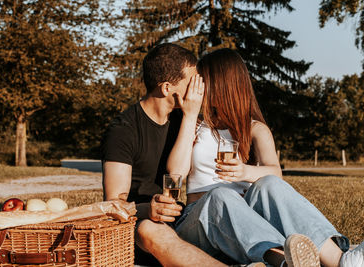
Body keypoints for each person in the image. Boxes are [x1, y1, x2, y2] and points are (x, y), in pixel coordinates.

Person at [167, 48, 364, 267]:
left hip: (242, 225)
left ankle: (340, 260)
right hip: (198, 221)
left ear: (220, 85)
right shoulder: (194, 124)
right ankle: (284, 261)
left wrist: (245, 172)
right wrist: (190, 114)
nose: (197, 88)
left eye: (202, 81)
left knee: (269, 183)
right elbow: (174, 174)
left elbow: (276, 173)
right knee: (220, 195)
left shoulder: (254, 129)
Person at [102, 43, 245, 266]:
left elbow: (179, 172)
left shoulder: (185, 120)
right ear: (167, 88)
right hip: (140, 223)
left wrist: (190, 117)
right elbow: (112, 203)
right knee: (152, 230)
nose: (200, 88)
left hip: (180, 220)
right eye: (192, 81)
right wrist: (148, 209)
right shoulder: (123, 130)